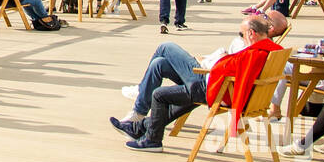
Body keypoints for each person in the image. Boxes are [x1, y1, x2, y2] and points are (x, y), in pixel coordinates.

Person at [111, 14, 282, 150]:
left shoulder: (252, 54)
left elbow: (239, 81)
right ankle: (138, 128)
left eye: (241, 34)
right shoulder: (269, 51)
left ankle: (144, 121)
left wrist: (206, 64)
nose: (241, 38)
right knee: (159, 64)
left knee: (165, 48)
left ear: (251, 33)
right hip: (216, 85)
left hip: (207, 85)